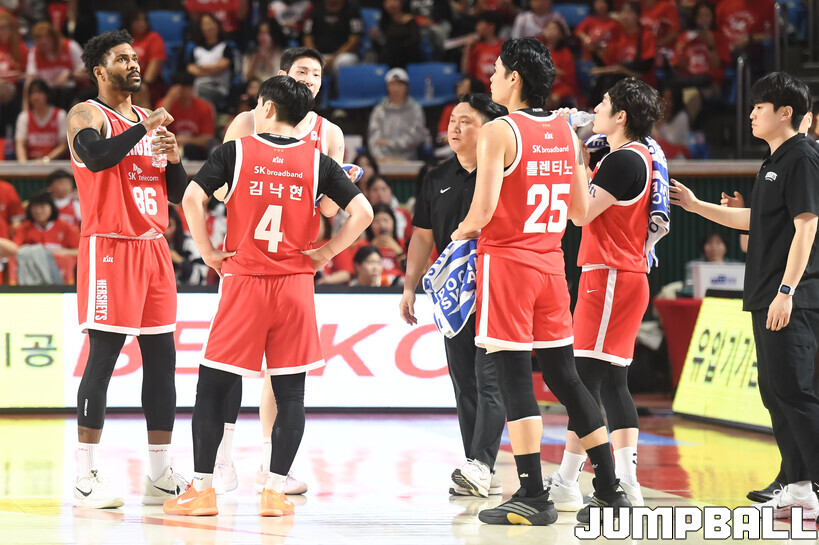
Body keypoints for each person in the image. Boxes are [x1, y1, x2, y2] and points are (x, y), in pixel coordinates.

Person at [164, 74, 372, 517]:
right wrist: (326, 253)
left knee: (213, 387)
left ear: (268, 108)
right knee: (291, 394)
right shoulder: (318, 162)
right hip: (295, 285)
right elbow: (363, 212)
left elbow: (192, 199)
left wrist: (207, 251)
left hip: (244, 282)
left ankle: (203, 490)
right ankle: (275, 492)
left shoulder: (236, 151)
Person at [451, 38, 629, 526]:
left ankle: (532, 493)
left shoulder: (498, 131)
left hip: (508, 266)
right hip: (552, 266)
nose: (490, 78)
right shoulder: (565, 133)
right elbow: (579, 213)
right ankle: (610, 489)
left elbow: (482, 212)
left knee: (513, 381)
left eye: (496, 70)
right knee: (565, 378)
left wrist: (458, 235)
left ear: (515, 79)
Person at [670, 72, 819, 521]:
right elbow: (757, 222)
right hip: (764, 294)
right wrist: (698, 206)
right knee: (775, 393)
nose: (751, 114)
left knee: (795, 392)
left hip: (791, 297)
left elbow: (807, 226)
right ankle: (799, 487)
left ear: (785, 112)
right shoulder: (773, 160)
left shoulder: (803, 157)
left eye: (759, 107)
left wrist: (787, 290)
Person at [215, 47, 352, 496]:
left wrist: (335, 193)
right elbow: (218, 187)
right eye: (302, 71)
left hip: (293, 265)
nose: (310, 78)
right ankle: (221, 461)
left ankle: (271, 465)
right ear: (282, 76)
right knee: (229, 368)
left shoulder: (330, 133)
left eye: (317, 73)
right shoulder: (248, 120)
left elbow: (329, 210)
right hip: (246, 262)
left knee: (283, 373)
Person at [66, 29, 189, 509]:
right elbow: (98, 157)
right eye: (123, 58)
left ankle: (158, 475)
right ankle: (85, 476)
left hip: (154, 247)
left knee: (162, 360)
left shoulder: (146, 120)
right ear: (100, 70)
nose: (134, 64)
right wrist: (145, 128)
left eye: (135, 57)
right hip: (110, 246)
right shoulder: (87, 114)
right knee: (104, 357)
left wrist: (174, 160)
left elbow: (175, 193)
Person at [545, 77, 662, 512]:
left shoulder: (622, 160)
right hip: (622, 275)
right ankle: (619, 482)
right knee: (611, 383)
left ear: (621, 116)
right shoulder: (635, 156)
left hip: (610, 276)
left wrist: (573, 150)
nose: (595, 108)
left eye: (604, 103)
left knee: (584, 384)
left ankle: (574, 480)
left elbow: (580, 214)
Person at [400, 93, 507, 497]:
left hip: (497, 287)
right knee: (464, 381)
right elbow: (422, 237)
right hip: (453, 294)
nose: (456, 128)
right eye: (452, 121)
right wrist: (409, 286)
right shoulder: (436, 177)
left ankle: (482, 463)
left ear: (489, 129)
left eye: (466, 121)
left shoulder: (503, 170)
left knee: (490, 378)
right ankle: (478, 465)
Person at [367, 67, 430, 161]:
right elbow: (374, 139)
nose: (396, 88)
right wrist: (380, 158)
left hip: (409, 159)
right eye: (392, 84)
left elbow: (415, 137)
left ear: (406, 87)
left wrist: (389, 143)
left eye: (400, 84)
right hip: (383, 160)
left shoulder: (415, 109)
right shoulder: (379, 110)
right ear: (387, 86)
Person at [25, 20, 85, 110]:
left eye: (43, 45)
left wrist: (70, 74)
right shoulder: (34, 52)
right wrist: (26, 107)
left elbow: (87, 74)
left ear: (53, 39)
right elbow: (30, 80)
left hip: (71, 91)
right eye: (38, 45)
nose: (41, 49)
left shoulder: (70, 46)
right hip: (47, 94)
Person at [156, 72, 215, 160]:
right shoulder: (164, 104)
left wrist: (187, 140)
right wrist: (169, 99)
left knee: (190, 149)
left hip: (194, 152)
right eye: (180, 89)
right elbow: (156, 128)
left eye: (187, 88)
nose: (183, 92)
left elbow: (207, 140)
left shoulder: (204, 107)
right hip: (169, 148)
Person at [185, 13, 235, 110]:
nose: (209, 27)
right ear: (201, 29)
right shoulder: (197, 49)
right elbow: (190, 69)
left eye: (211, 23)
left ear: (217, 26)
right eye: (205, 24)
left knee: (199, 90)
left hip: (218, 87)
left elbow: (222, 66)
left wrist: (201, 68)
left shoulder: (225, 47)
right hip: (198, 85)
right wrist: (213, 69)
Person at [303, 0, 363, 77]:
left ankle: (340, 85)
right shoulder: (314, 8)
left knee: (343, 62)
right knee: (302, 62)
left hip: (342, 55)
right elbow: (308, 37)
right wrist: (315, 57)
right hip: (319, 55)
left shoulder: (352, 10)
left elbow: (354, 41)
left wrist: (333, 58)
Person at [123, 7, 166, 108]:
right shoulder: (123, 40)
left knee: (139, 88)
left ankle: (145, 118)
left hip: (149, 82)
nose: (142, 23)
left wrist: (144, 82)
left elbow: (154, 66)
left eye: (144, 20)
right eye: (137, 20)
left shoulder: (153, 38)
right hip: (125, 79)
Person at [14, 79, 67, 163]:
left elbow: (63, 145)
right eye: (32, 93)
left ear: (47, 94)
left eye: (39, 92)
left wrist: (45, 160)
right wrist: (24, 165)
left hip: (54, 162)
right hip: (31, 163)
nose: (35, 96)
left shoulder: (60, 115)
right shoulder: (24, 117)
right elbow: (20, 144)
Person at [371, 0, 422, 68]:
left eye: (394, 1)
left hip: (407, 57)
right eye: (388, 1)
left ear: (401, 3)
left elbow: (414, 41)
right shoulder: (383, 22)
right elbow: (380, 46)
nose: (391, 4)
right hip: (387, 59)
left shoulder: (410, 21)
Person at [461, 11, 504, 93]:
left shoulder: (503, 47)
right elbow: (465, 71)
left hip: (497, 92)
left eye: (480, 23)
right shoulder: (477, 46)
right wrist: (468, 47)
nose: (477, 27)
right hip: (479, 93)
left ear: (491, 26)